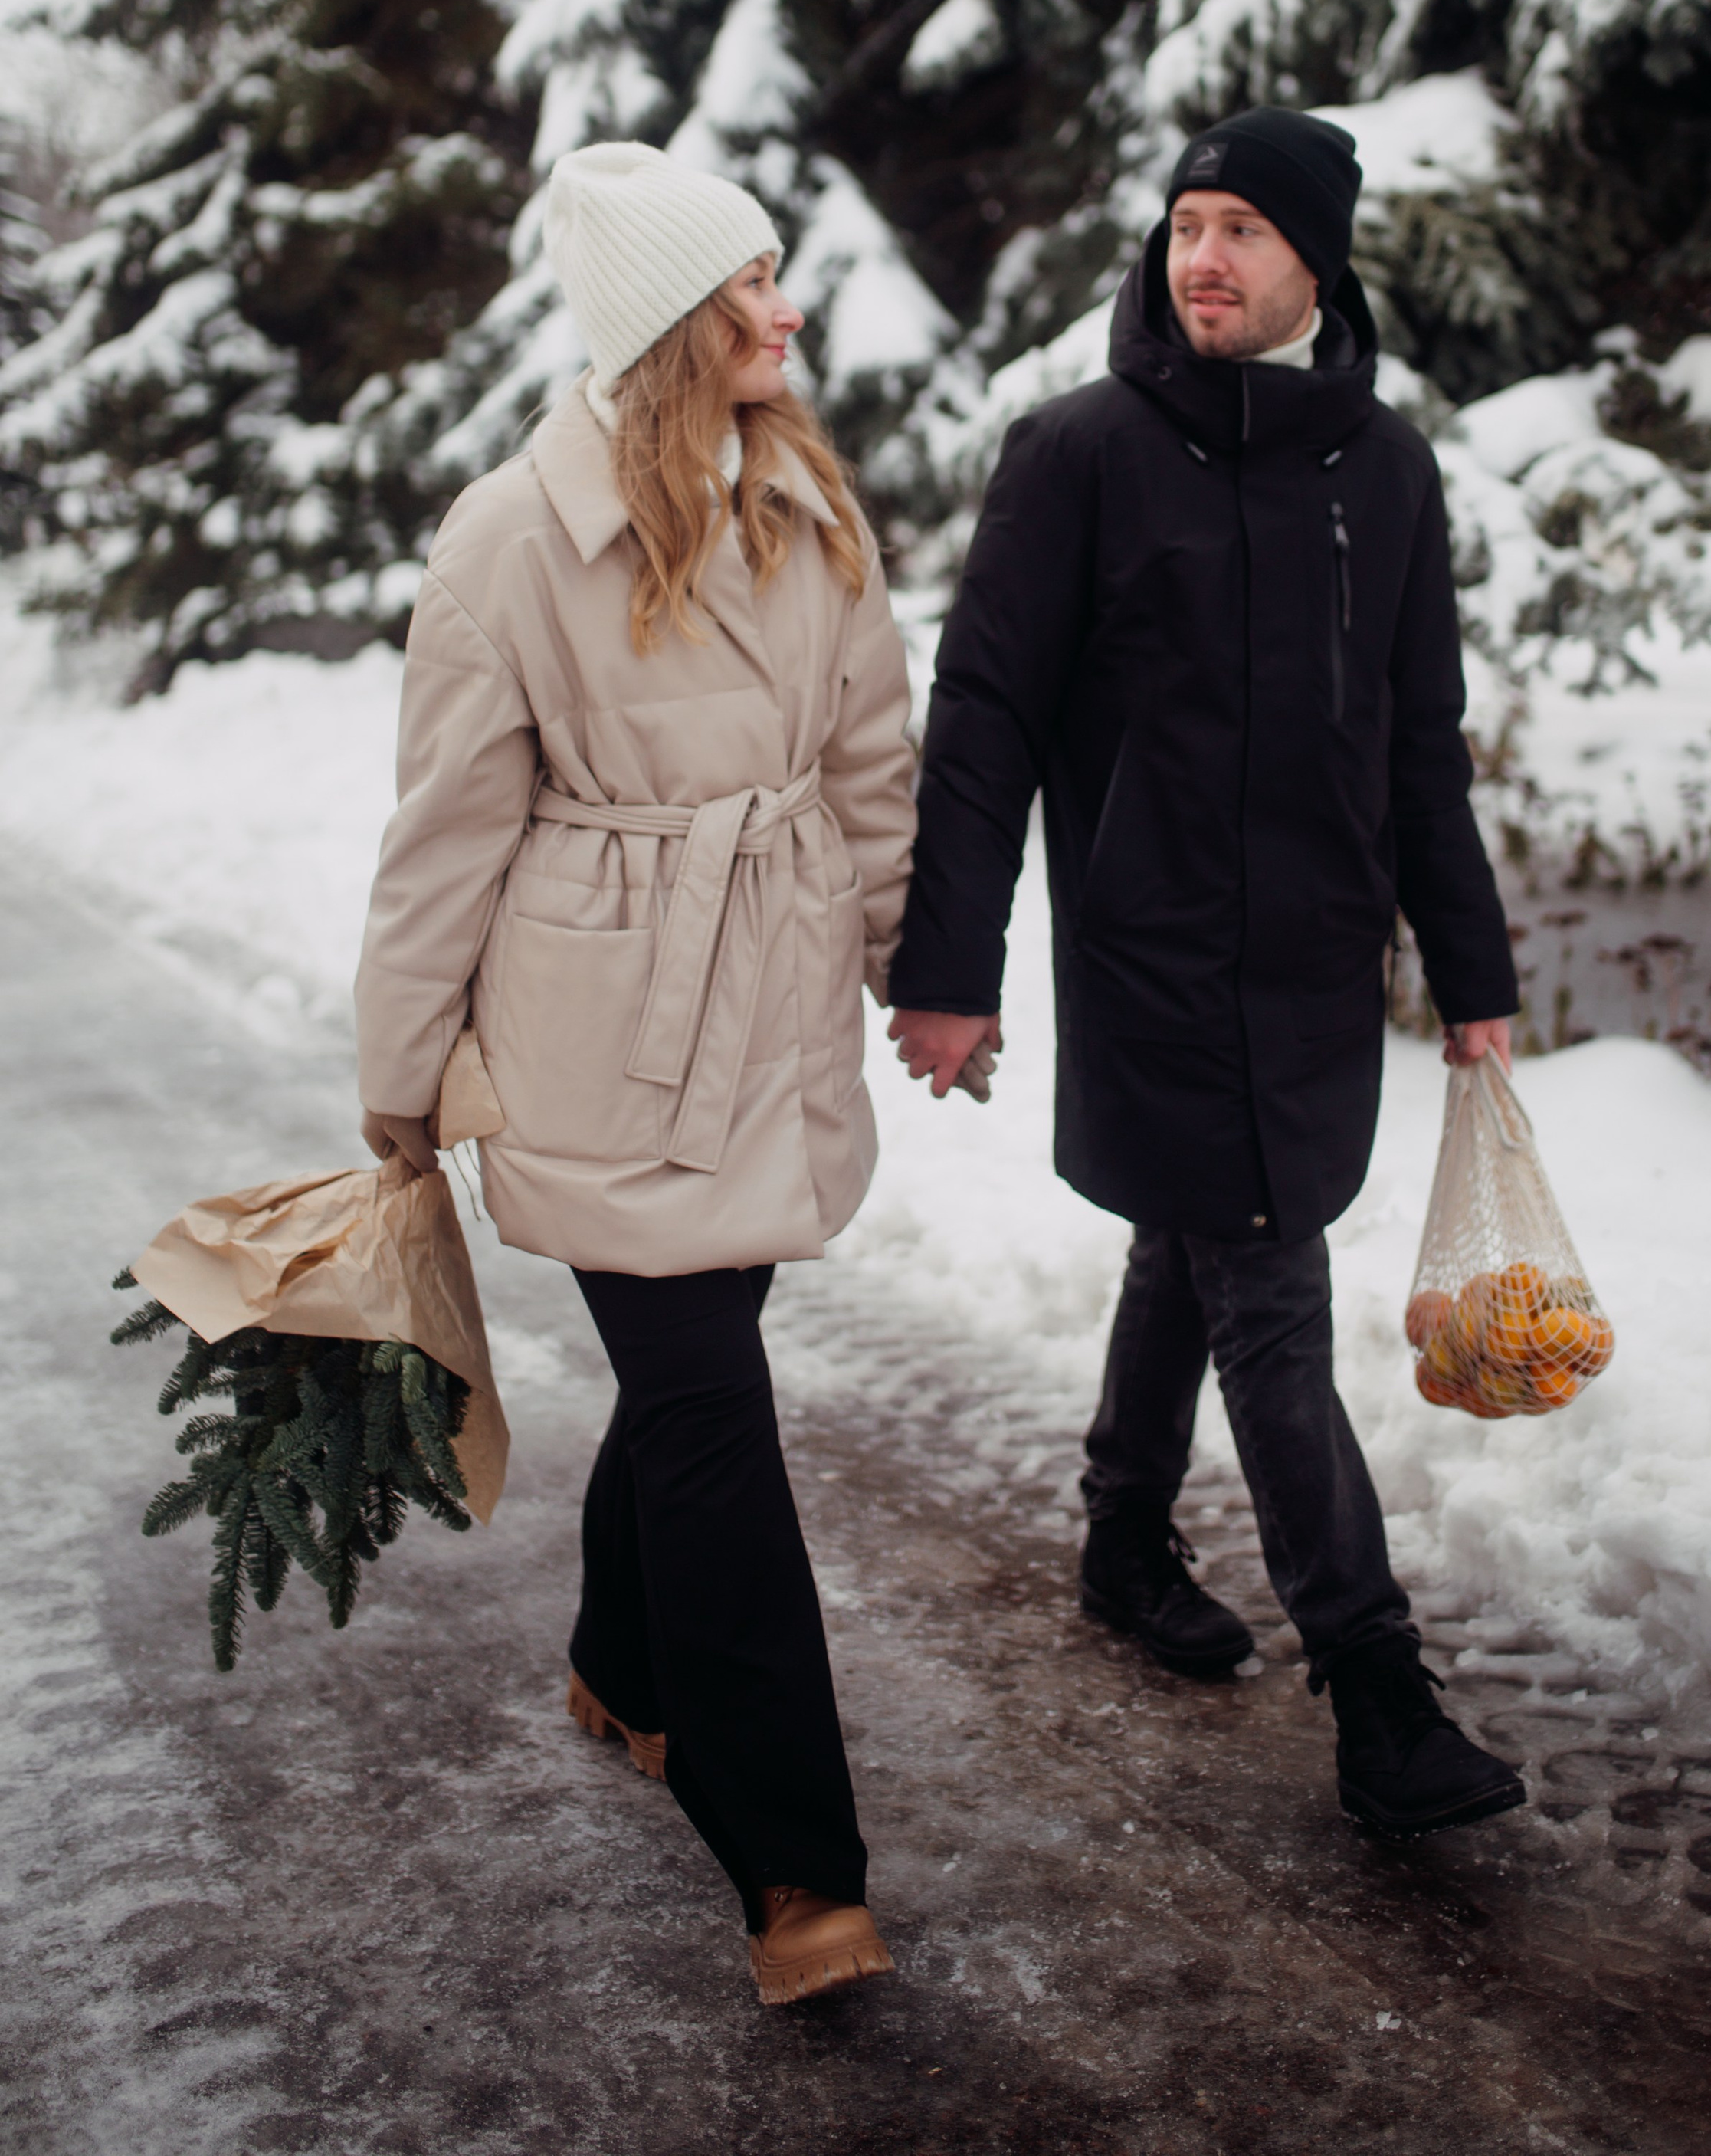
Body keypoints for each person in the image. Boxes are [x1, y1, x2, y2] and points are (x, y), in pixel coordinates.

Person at [886, 108, 1527, 1839]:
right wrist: (948, 969)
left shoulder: (1381, 472)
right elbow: (983, 725)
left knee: (1201, 1230)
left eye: (1242, 227)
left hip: (1313, 967)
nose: (1203, 259)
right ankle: (1375, 1686)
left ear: (1316, 260)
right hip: (1151, 955)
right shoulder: (1078, 453)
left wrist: (1468, 969)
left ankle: (1115, 1531)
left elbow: (1417, 747)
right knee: (1262, 1274)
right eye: (1183, 224)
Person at [353, 139, 918, 2002]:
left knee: (695, 1368)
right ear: (678, 320)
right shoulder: (508, 537)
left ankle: (621, 1655)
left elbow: (866, 768)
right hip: (599, 1017)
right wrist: (402, 1068)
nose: (791, 308)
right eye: (757, 281)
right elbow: (447, 826)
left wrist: (917, 965)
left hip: (768, 1010)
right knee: (704, 1402)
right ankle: (791, 1862)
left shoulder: (811, 510)